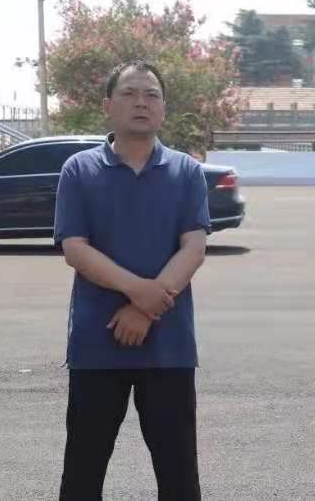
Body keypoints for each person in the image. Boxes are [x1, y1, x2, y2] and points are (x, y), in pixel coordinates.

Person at [55, 59, 209, 500]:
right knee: (83, 470)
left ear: (163, 109)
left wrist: (145, 308)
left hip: (169, 348)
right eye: (129, 93)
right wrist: (139, 291)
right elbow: (75, 248)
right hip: (96, 345)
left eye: (151, 95)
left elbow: (194, 247)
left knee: (178, 474)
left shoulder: (186, 171)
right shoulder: (79, 170)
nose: (141, 103)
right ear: (108, 105)